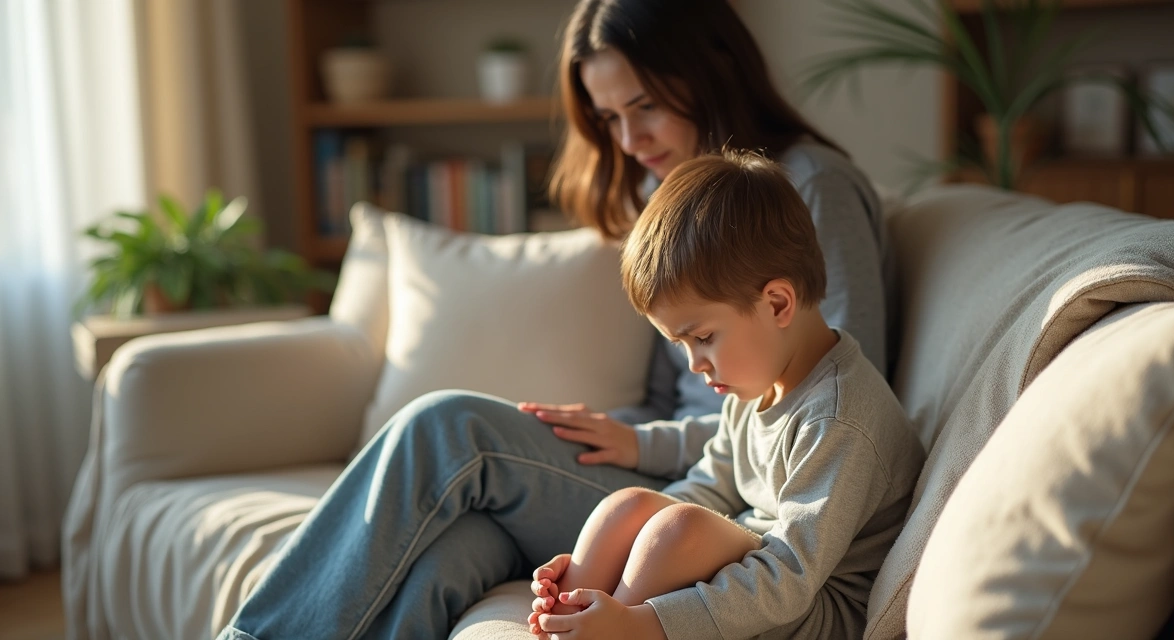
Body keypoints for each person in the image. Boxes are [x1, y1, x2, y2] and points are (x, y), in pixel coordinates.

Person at [217, 0, 893, 638]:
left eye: (645, 105)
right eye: (608, 118)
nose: (629, 139)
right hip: (690, 487)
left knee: (449, 428)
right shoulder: (682, 208)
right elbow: (726, 415)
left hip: (719, 513)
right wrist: (627, 432)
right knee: (455, 552)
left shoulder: (804, 192)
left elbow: (808, 388)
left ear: (713, 70)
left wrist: (645, 445)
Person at [526, 151, 924, 639]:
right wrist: (609, 559)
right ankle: (569, 617)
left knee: (680, 532)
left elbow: (790, 575)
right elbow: (710, 487)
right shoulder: (755, 386)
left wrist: (643, 622)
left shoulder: (838, 419)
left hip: (817, 607)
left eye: (704, 337)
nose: (695, 364)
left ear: (777, 303)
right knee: (628, 506)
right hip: (762, 573)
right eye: (681, 344)